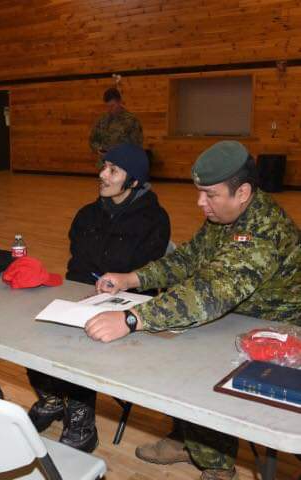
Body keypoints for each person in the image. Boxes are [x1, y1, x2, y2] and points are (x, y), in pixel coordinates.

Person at [86, 141, 300, 480]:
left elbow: (209, 294)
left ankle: (215, 464)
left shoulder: (262, 232)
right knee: (177, 349)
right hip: (237, 317)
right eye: (199, 193)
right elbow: (190, 258)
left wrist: (132, 318)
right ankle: (194, 441)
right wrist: (133, 278)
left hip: (276, 334)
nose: (201, 203)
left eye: (210, 195)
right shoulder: (225, 215)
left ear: (242, 192)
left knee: (193, 364)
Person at [27, 143, 170, 452]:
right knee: (35, 331)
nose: (103, 174)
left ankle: (81, 417)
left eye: (113, 170)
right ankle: (53, 399)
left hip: (126, 309)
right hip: (83, 298)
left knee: (83, 344)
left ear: (133, 181)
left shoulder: (154, 220)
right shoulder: (86, 216)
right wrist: (79, 298)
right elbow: (76, 267)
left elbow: (147, 277)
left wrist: (112, 290)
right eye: (104, 166)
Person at [89, 87, 143, 156]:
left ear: (119, 102)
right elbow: (93, 140)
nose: (109, 109)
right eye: (107, 106)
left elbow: (137, 146)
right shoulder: (102, 120)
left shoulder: (131, 121)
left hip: (123, 163)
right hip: (105, 163)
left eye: (112, 106)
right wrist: (98, 149)